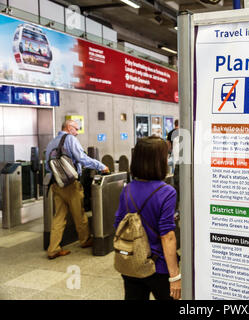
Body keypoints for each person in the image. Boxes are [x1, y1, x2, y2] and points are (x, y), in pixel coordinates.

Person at [114, 136, 181, 300]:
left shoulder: (127, 189)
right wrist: (175, 276)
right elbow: (168, 236)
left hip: (132, 264)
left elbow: (118, 224)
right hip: (158, 267)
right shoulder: (167, 192)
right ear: (160, 161)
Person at [45, 120, 109, 259]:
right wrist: (101, 166)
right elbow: (82, 158)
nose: (77, 132)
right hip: (71, 184)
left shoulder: (51, 143)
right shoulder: (70, 139)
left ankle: (53, 249)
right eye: (76, 129)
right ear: (68, 128)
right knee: (79, 213)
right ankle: (85, 240)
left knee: (59, 217)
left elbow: (47, 166)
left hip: (56, 184)